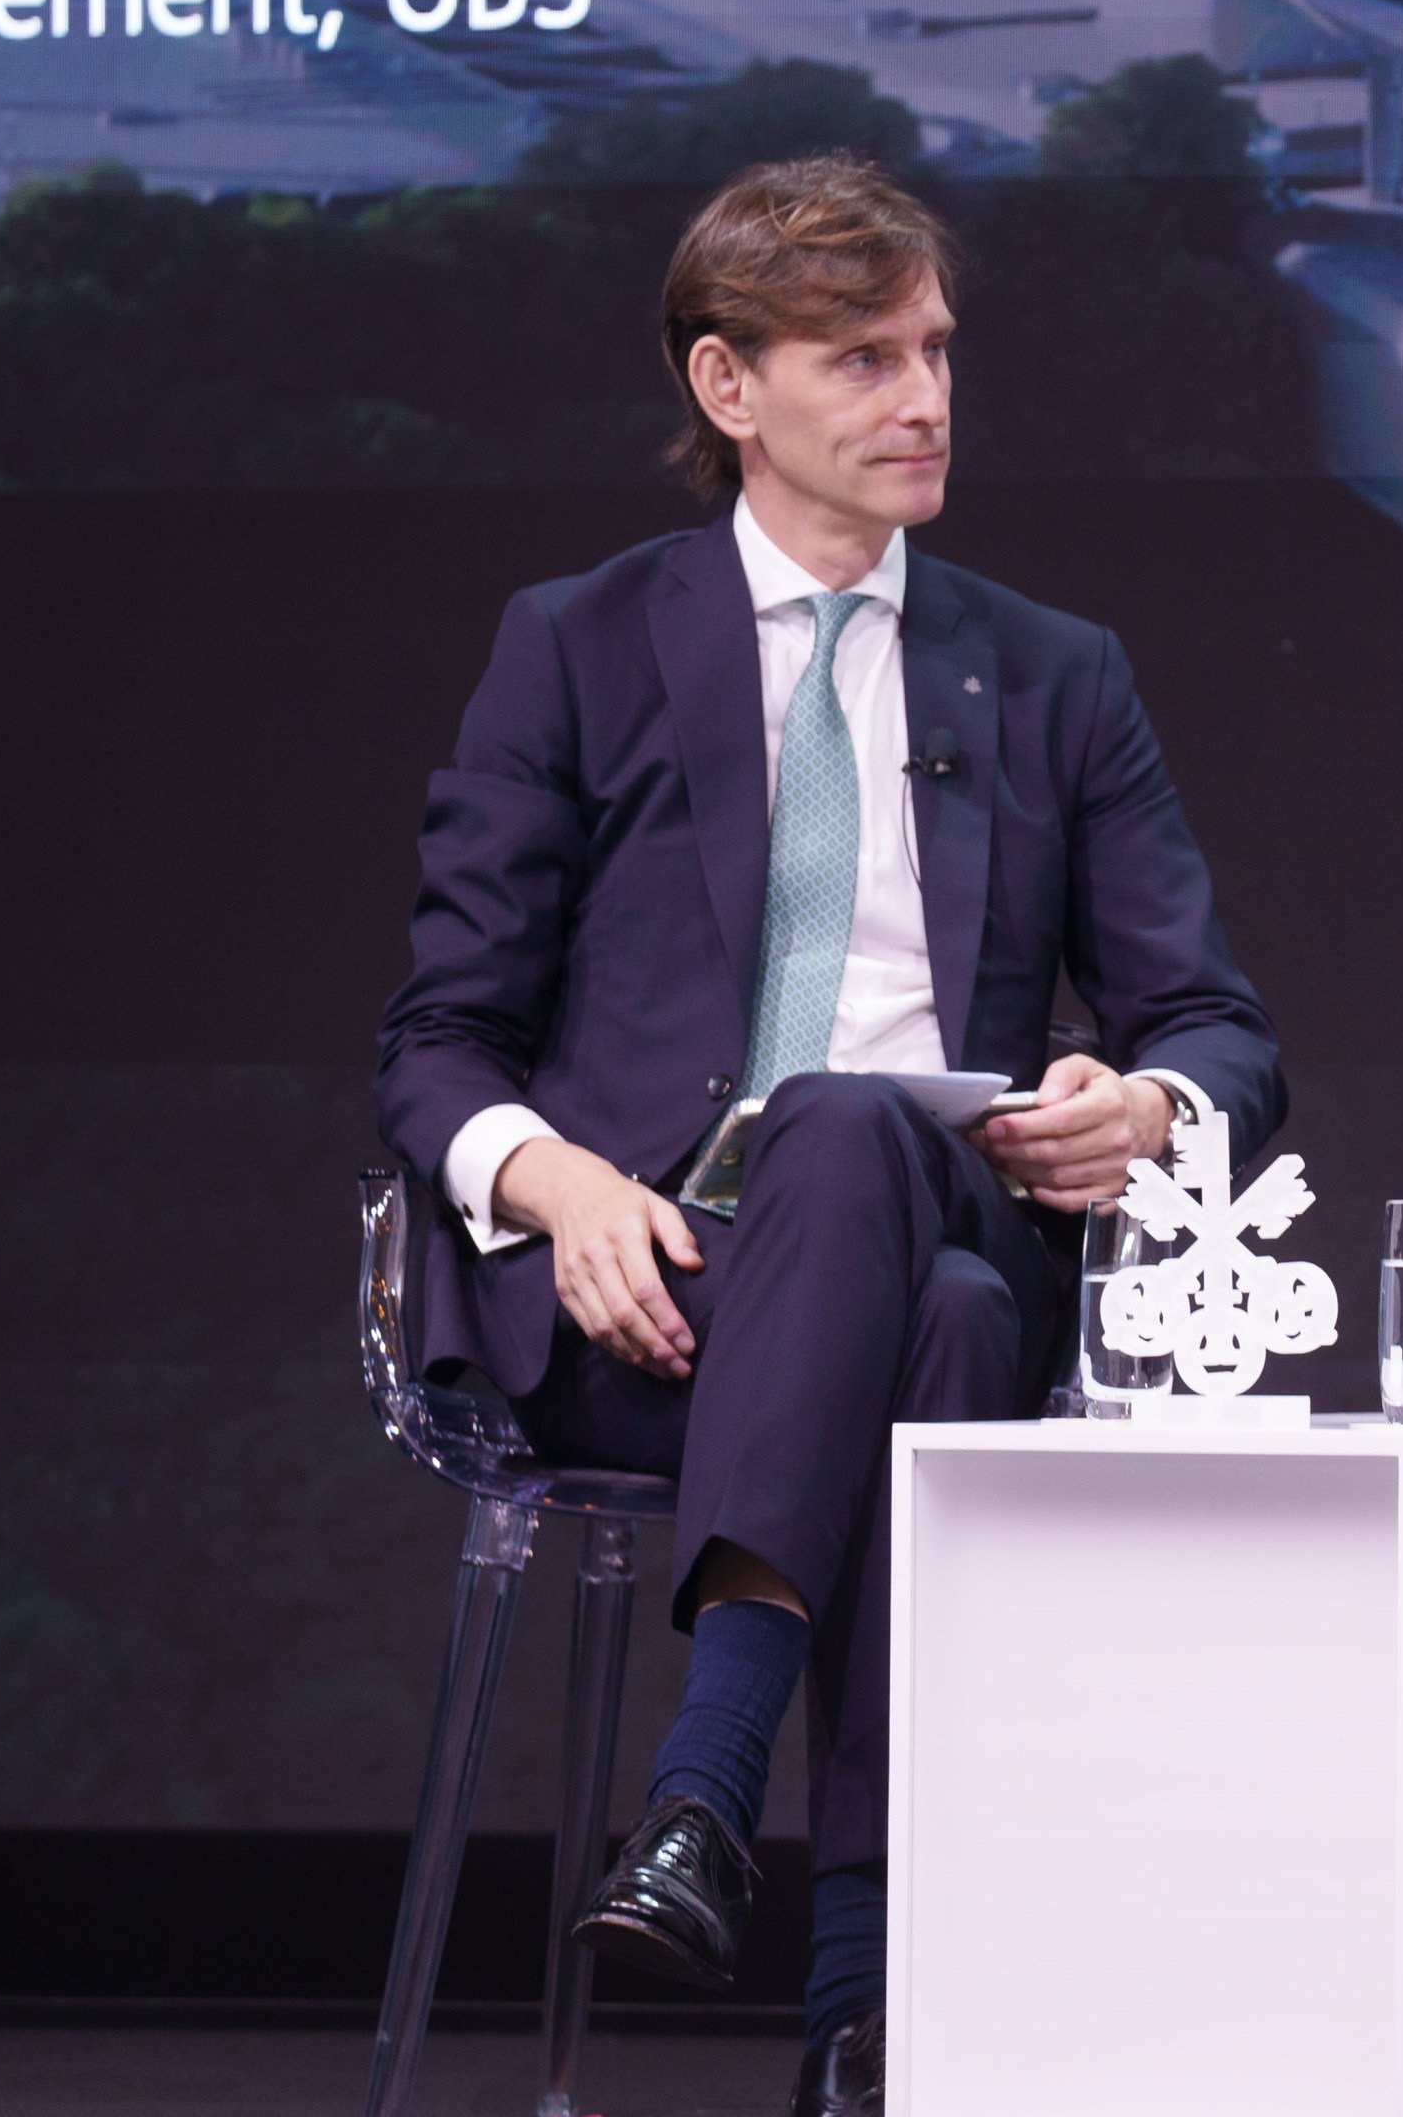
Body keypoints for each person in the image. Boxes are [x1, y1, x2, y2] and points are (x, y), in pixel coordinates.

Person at [374, 154, 1281, 2117]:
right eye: (862, 358)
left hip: (916, 1218)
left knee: (880, 1168)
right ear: (728, 390)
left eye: (936, 351)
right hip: (645, 1312)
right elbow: (439, 1042)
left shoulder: (1053, 672)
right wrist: (555, 1183)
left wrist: (1142, 1103)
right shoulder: (578, 644)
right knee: (941, 1331)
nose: (924, 398)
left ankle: (702, 1808)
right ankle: (859, 2016)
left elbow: (1214, 1022)